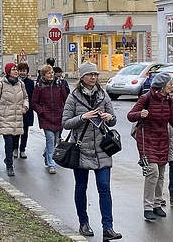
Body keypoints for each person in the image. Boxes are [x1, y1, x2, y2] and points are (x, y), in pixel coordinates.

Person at [62, 62, 122, 241]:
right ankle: (83, 223)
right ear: (82, 77)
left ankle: (108, 228)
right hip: (80, 149)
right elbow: (65, 123)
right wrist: (82, 117)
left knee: (104, 188)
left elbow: (113, 121)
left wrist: (109, 117)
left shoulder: (103, 96)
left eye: (95, 74)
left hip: (102, 149)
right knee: (81, 188)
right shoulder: (73, 97)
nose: (93, 78)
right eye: (89, 75)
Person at [127, 72, 173, 221]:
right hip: (146, 139)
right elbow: (130, 115)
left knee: (160, 173)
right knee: (152, 171)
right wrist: (141, 113)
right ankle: (148, 207)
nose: (172, 86)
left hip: (163, 139)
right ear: (162, 85)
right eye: (170, 83)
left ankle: (157, 204)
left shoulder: (169, 100)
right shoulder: (145, 98)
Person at [0, 62, 29, 176]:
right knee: (8, 142)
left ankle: (8, 159)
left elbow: (25, 98)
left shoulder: (21, 84)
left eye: (16, 69)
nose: (16, 71)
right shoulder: (1, 85)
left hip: (17, 117)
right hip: (5, 117)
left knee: (15, 143)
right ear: (8, 72)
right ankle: (9, 165)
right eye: (13, 69)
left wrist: (25, 106)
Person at [31, 64, 67, 174]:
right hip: (46, 118)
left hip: (58, 116)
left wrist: (64, 111)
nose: (51, 75)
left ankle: (46, 154)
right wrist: (42, 111)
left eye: (52, 72)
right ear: (44, 75)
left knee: (55, 140)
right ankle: (51, 164)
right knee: (50, 139)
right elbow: (34, 102)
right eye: (48, 73)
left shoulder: (59, 84)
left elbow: (65, 99)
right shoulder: (39, 86)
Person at [14, 62, 34, 159]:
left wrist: (29, 108)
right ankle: (15, 148)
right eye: (20, 71)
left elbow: (32, 97)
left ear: (27, 72)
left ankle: (22, 149)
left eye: (24, 71)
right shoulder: (14, 82)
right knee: (16, 131)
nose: (22, 73)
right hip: (16, 110)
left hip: (27, 111)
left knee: (25, 132)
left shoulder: (30, 83)